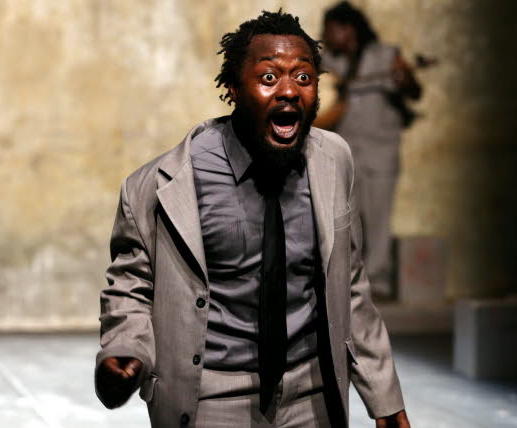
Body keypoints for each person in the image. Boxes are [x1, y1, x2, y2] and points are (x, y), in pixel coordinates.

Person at [95, 10, 410, 428]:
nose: (289, 91)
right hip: (211, 394)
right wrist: (124, 346)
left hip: (312, 391)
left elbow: (350, 284)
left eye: (303, 77)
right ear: (233, 89)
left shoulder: (334, 160)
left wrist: (384, 395)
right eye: (268, 77)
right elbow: (132, 285)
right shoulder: (161, 184)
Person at [319, 2, 422, 299]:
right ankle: (350, 281)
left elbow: (415, 91)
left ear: (347, 29)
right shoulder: (332, 60)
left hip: (380, 151)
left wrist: (405, 79)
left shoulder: (386, 56)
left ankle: (378, 281)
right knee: (347, 220)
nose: (326, 36)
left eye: (331, 30)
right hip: (348, 152)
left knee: (378, 218)